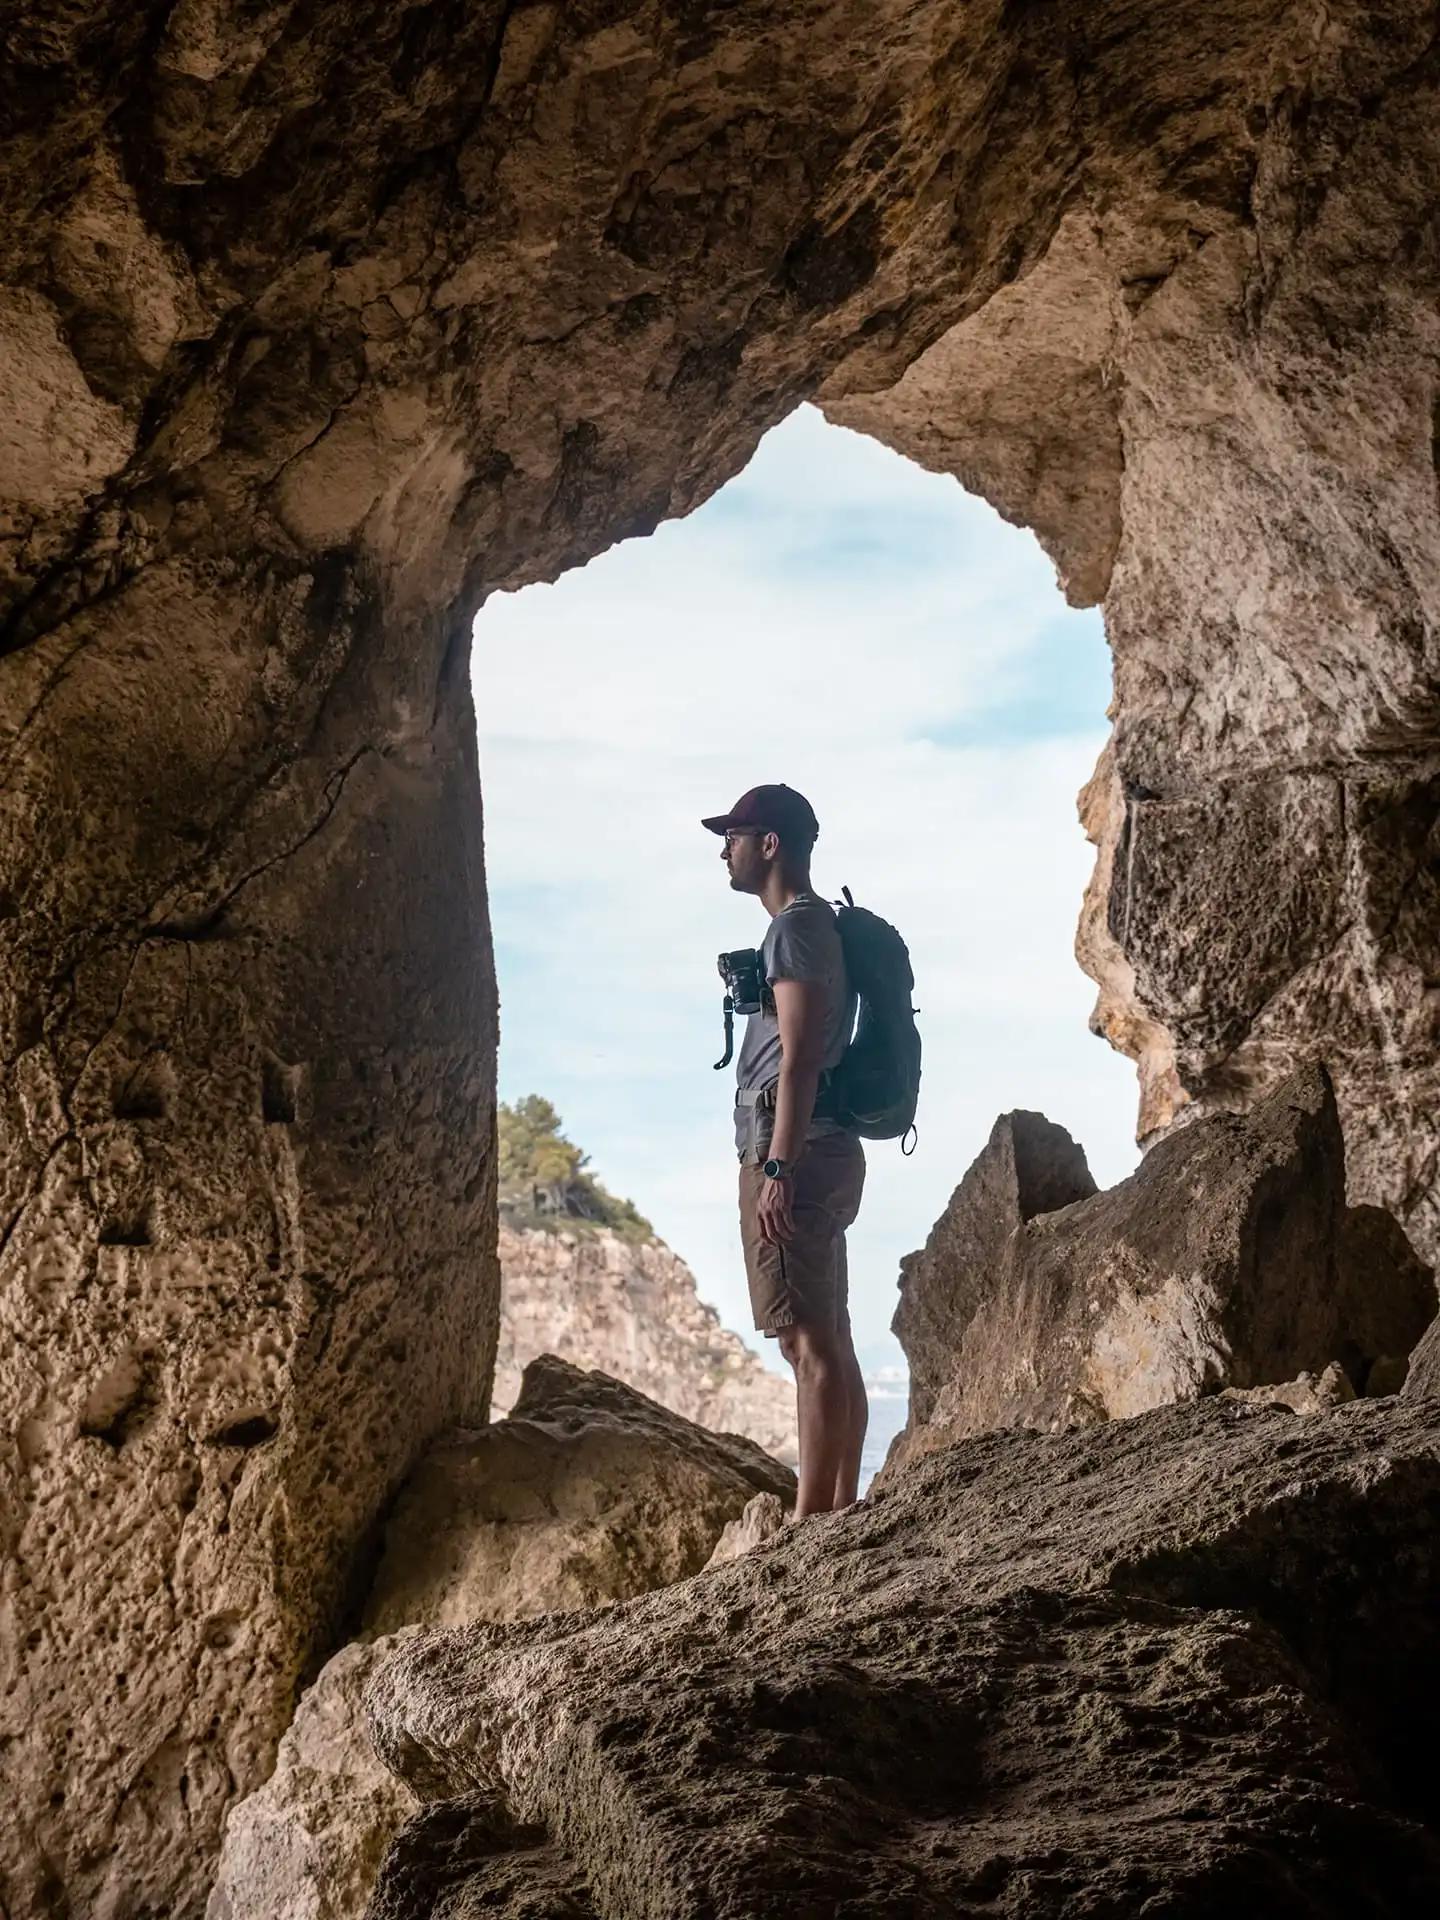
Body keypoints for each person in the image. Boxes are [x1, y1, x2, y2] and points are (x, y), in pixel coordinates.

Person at [701, 783, 867, 1516]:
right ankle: (840, 1505)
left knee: (805, 1343)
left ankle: (811, 1519)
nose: (724, 852)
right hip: (821, 1146)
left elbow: (798, 1061)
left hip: (795, 1149)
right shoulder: (811, 926)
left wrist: (777, 1168)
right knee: (829, 1335)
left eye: (733, 838)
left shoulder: (795, 931)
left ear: (769, 844)